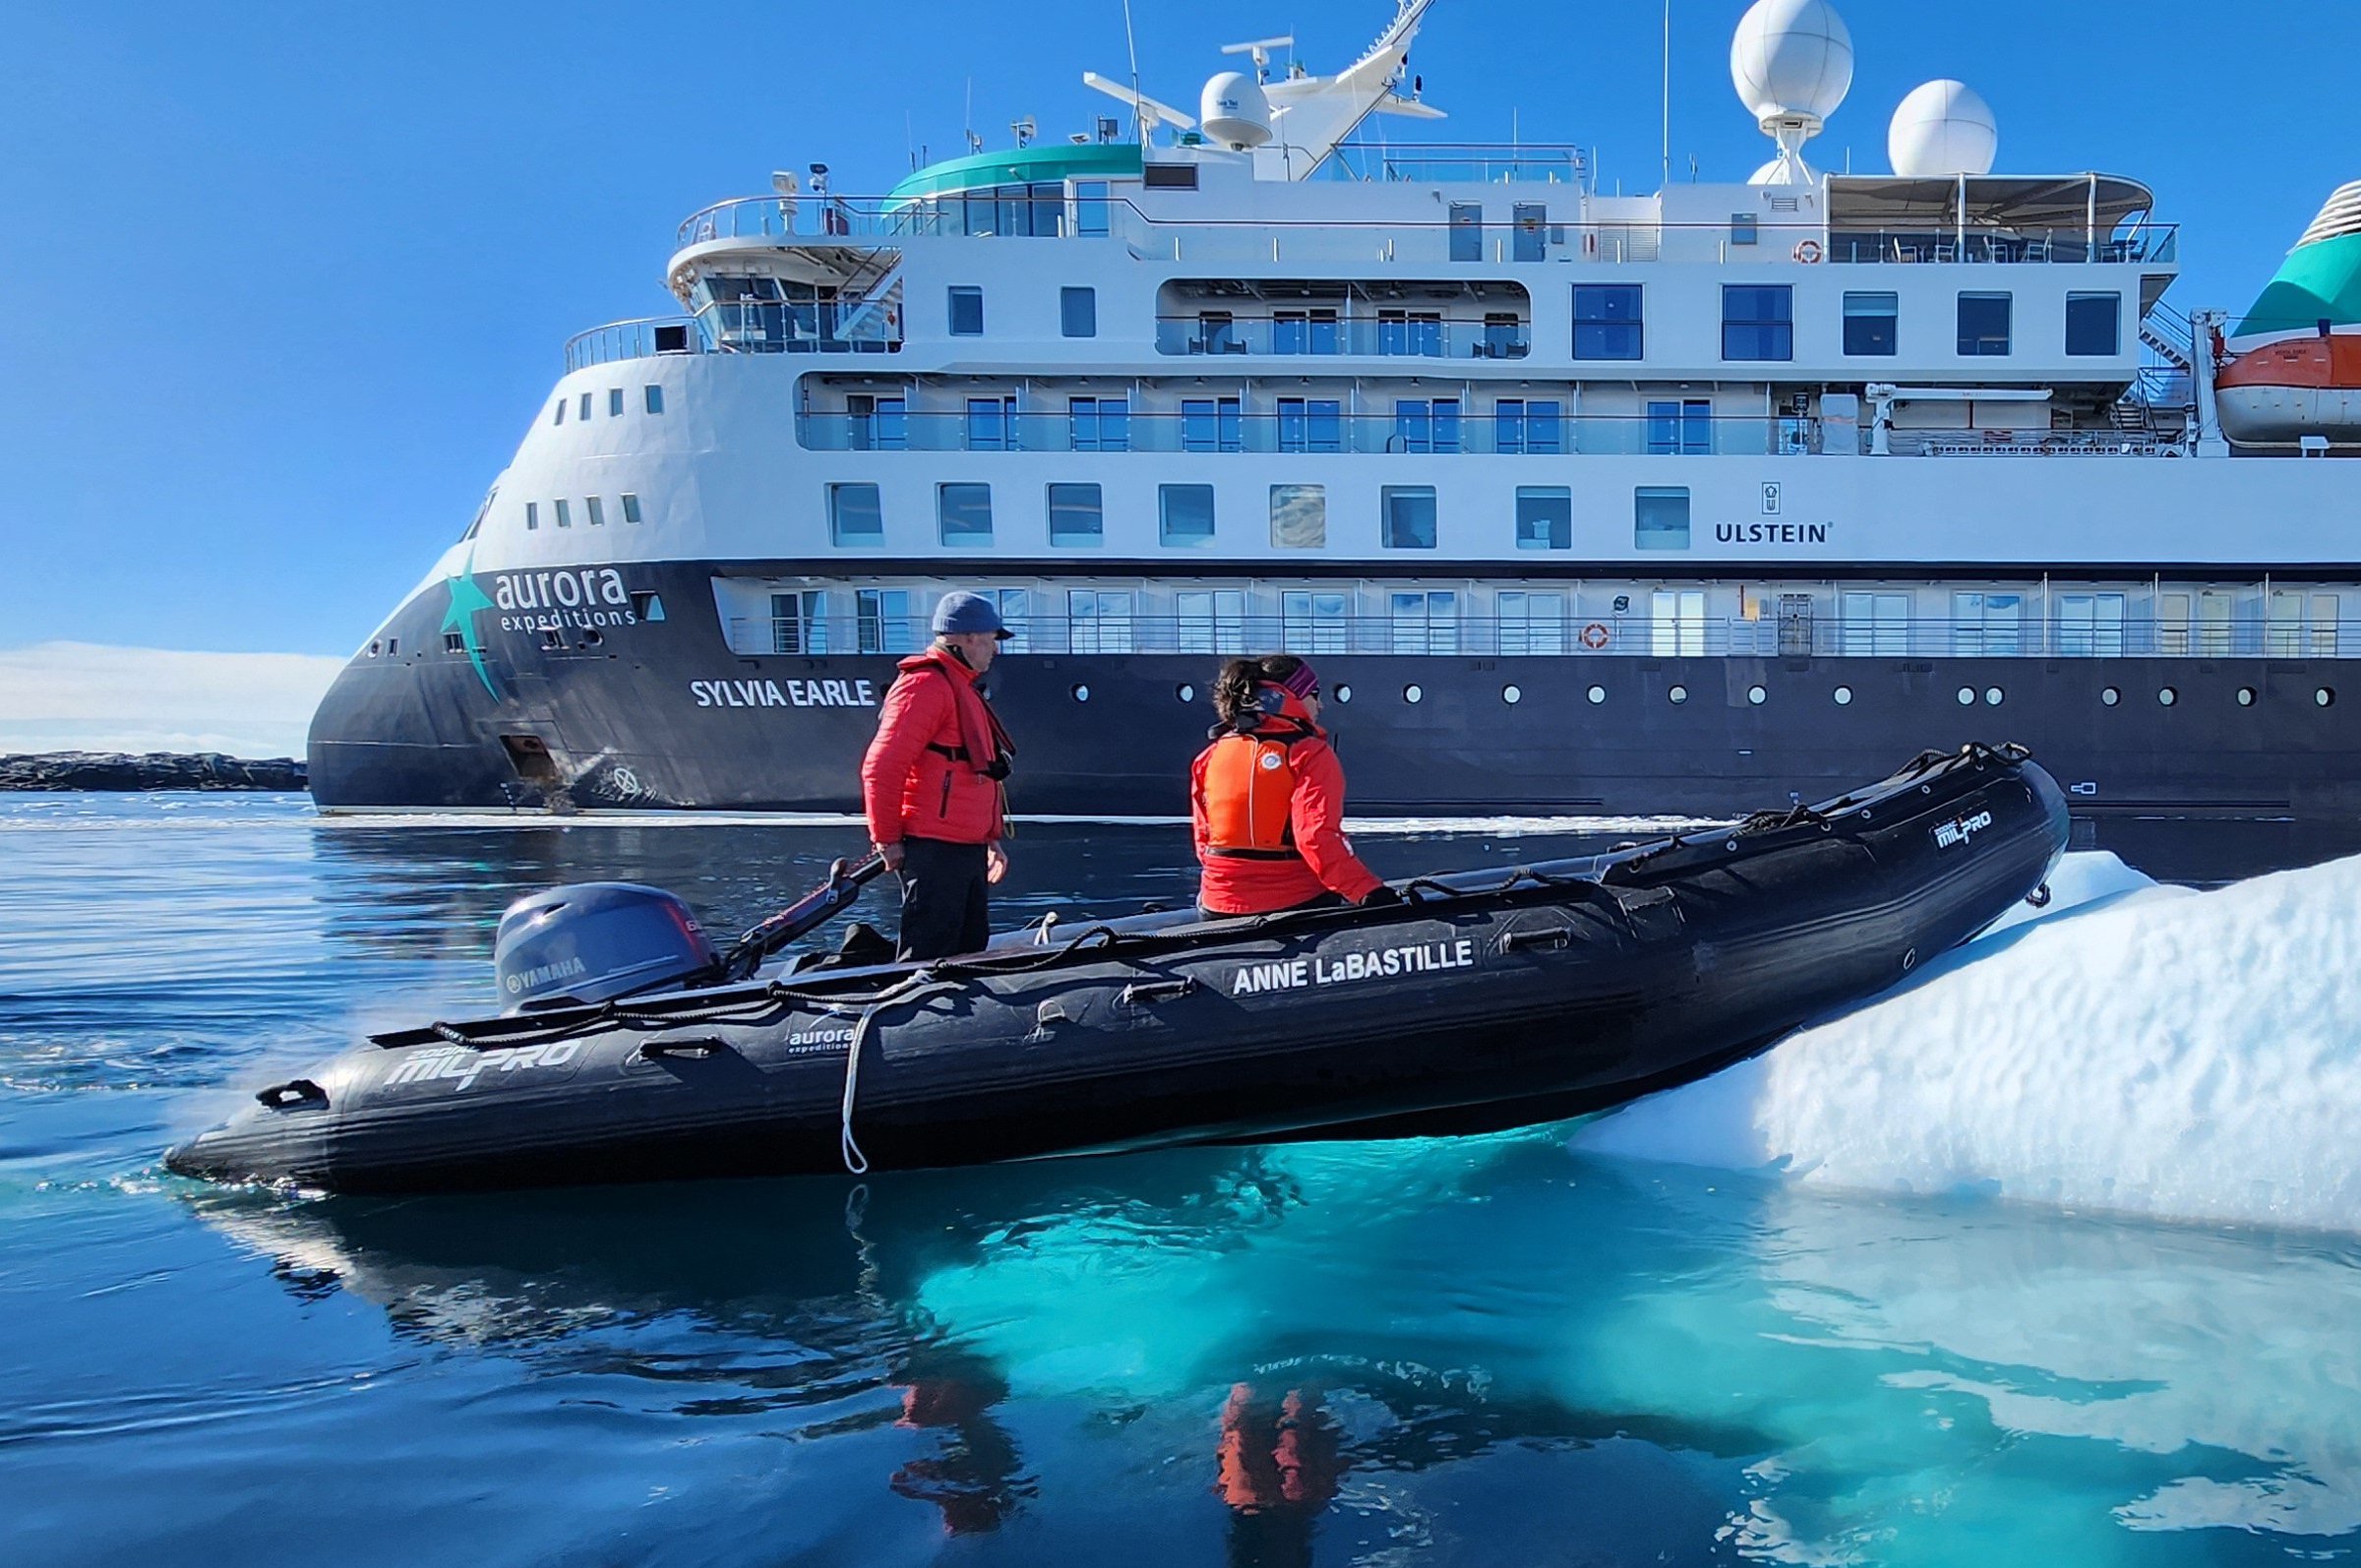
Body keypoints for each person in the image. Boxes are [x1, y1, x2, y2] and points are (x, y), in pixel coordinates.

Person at [861, 591, 1016, 959]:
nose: (996, 650)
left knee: (968, 949)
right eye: (993, 640)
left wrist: (990, 840)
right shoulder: (925, 686)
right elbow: (881, 766)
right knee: (930, 955)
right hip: (935, 849)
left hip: (963, 849)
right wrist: (887, 840)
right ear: (968, 638)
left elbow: (976, 771)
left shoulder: (958, 685)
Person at [1191, 653, 1398, 918]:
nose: (1320, 705)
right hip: (1294, 902)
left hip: (1216, 905)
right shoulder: (1309, 754)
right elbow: (1316, 838)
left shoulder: (1209, 757)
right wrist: (1369, 892)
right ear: (1288, 698)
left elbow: (1203, 841)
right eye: (1314, 694)